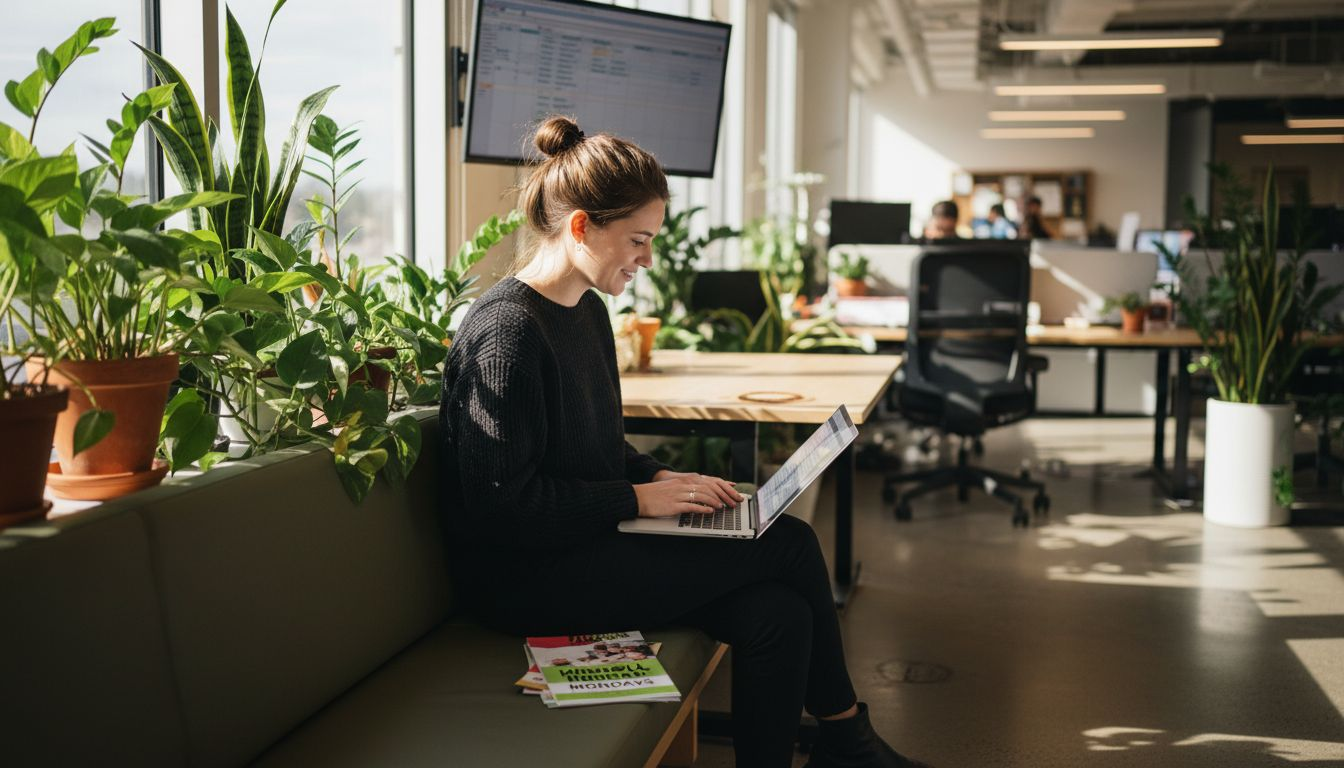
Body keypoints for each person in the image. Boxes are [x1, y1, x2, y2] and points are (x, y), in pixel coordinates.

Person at [439, 115, 928, 768]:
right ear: (582, 225)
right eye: (638, 241)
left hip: (582, 544)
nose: (647, 260)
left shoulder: (583, 309)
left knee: (776, 613)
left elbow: (600, 450)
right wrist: (638, 500)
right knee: (788, 543)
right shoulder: (508, 334)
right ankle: (847, 740)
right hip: (525, 579)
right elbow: (505, 510)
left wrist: (667, 481)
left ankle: (835, 747)